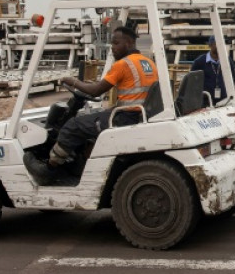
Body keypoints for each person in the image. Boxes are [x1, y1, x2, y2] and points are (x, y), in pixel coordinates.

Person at [24, 25, 158, 185]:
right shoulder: (148, 63)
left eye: (116, 43)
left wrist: (73, 81)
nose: (112, 48)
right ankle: (79, 166)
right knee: (90, 121)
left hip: (124, 118)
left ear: (128, 44)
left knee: (73, 126)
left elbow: (95, 91)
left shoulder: (123, 64)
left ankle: (49, 168)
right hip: (137, 115)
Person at [190, 35, 235, 104]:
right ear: (210, 45)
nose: (220, 46)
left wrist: (229, 92)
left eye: (222, 44)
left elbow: (233, 78)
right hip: (206, 101)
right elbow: (192, 81)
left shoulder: (227, 60)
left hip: (224, 100)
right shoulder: (200, 61)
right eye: (217, 44)